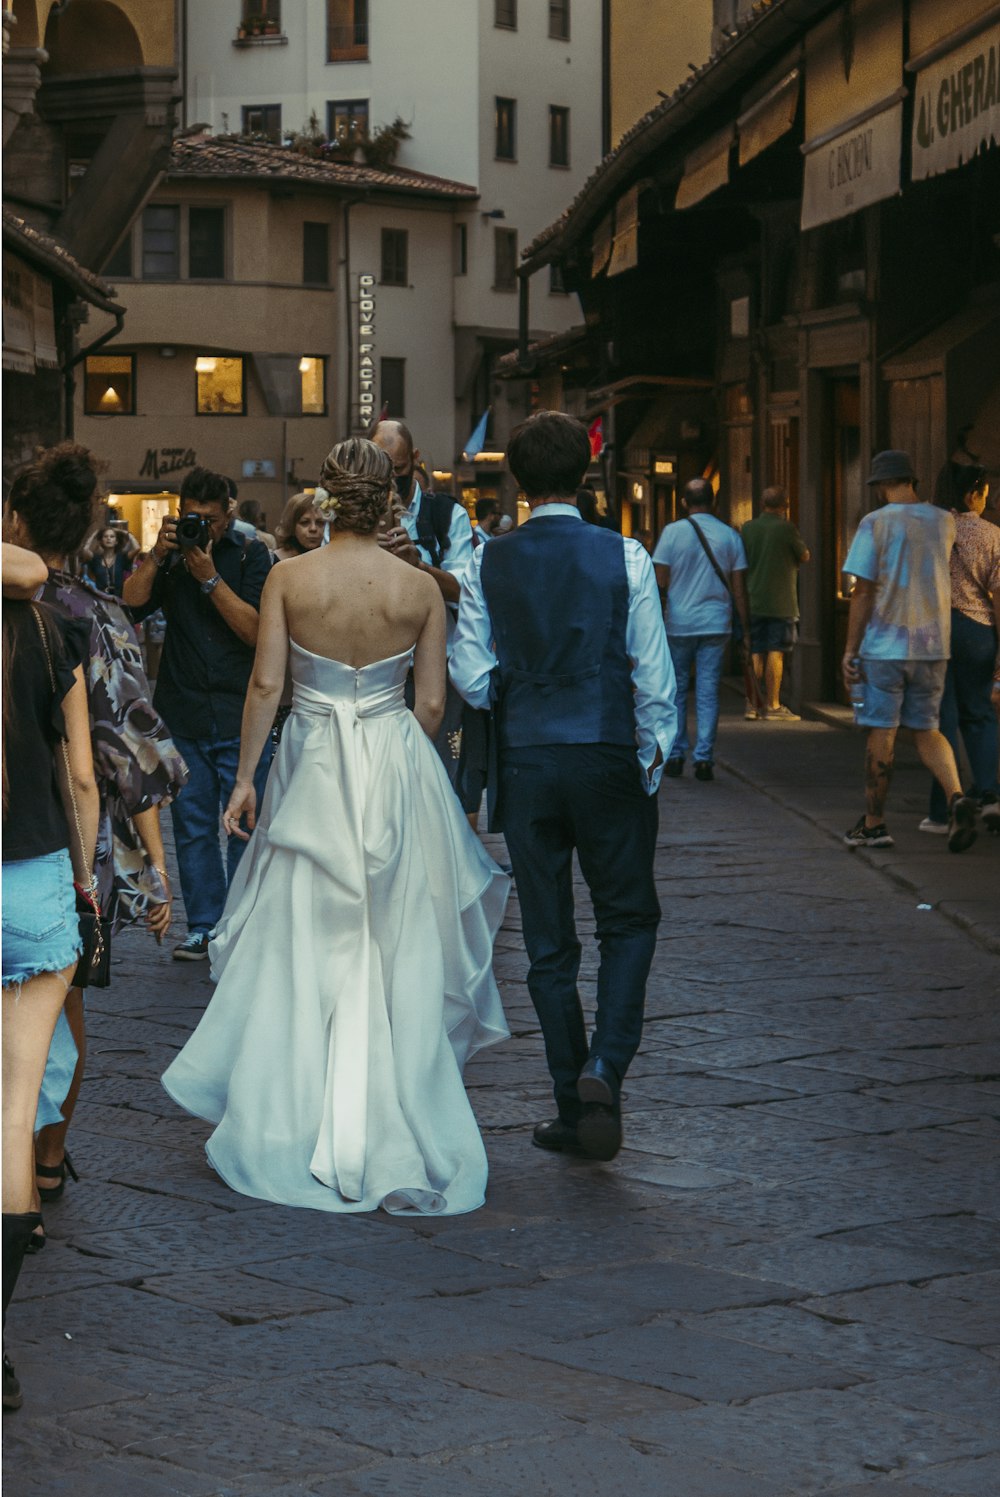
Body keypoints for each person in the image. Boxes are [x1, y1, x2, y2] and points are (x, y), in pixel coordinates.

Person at [162, 439, 510, 1216]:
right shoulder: (418, 588)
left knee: (303, 938)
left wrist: (248, 777)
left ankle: (297, 1108)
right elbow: (430, 706)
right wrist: (400, 763)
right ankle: (394, 1109)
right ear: (390, 495)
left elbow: (267, 681)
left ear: (325, 495)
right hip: (394, 764)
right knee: (392, 940)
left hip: (312, 766)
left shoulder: (289, 576)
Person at [451, 410, 676, 1163]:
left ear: (516, 477)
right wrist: (650, 757)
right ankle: (605, 1067)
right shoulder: (627, 555)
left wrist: (519, 690)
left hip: (528, 758)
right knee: (629, 920)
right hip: (608, 749)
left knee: (548, 943)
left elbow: (474, 678)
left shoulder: (489, 559)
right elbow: (653, 675)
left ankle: (567, 1098)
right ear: (584, 472)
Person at [4, 444, 183, 1242]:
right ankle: (42, 1170)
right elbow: (126, 758)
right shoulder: (93, 616)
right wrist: (152, 871)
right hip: (64, 851)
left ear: (15, 516)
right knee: (52, 1027)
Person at [3, 592, 98, 1412]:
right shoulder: (44, 627)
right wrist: (84, 879)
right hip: (33, 884)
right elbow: (81, 774)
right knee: (13, 1110)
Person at [124, 467, 273, 960]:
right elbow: (131, 604)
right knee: (191, 828)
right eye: (192, 517)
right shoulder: (168, 560)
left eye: (209, 519)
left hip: (239, 713)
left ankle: (243, 924)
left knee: (245, 827)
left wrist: (209, 579)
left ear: (230, 513)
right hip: (183, 713)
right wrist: (159, 554)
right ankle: (206, 925)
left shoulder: (252, 556)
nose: (201, 528)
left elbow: (256, 631)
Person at [841, 450, 978, 854]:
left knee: (882, 731)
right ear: (912, 480)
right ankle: (957, 797)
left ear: (882, 485)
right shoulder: (944, 520)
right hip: (933, 645)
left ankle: (874, 824)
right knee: (928, 729)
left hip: (886, 646)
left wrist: (850, 648)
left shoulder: (874, 523)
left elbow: (862, 589)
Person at [371, 420, 475, 794]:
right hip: (375, 670)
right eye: (379, 471)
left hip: (435, 668)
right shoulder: (348, 519)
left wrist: (419, 566)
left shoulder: (447, 515)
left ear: (414, 460)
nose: (389, 481)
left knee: (440, 780)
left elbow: (466, 590)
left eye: (397, 470)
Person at [919, 464, 1000, 836]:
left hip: (933, 628)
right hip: (976, 630)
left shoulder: (928, 530)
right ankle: (989, 796)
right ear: (973, 494)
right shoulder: (990, 535)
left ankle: (943, 810)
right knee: (980, 713)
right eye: (985, 493)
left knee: (941, 720)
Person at [652, 479, 751, 781]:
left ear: (684, 502)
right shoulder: (729, 536)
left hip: (679, 622)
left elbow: (660, 580)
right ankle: (704, 757)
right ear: (714, 502)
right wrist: (745, 628)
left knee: (677, 690)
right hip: (716, 622)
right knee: (708, 691)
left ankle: (676, 753)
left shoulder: (671, 533)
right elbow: (738, 589)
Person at [740, 486, 810, 721]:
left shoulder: (748, 529)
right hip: (781, 601)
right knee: (775, 652)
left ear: (761, 504)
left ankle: (751, 704)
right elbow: (804, 556)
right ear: (785, 506)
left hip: (754, 597)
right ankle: (773, 705)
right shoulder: (786, 528)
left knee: (756, 651)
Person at [84, 524, 133, 597]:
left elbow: (137, 548)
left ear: (116, 542)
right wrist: (95, 534)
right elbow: (85, 549)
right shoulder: (96, 558)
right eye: (105, 536)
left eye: (112, 536)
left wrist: (123, 532)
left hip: (118, 599)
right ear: (101, 541)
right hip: (100, 597)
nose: (108, 539)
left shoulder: (121, 557)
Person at [273, 491, 325, 561]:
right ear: (291, 525)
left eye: (320, 522)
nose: (313, 528)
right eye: (305, 522)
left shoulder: (332, 559)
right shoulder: (271, 561)